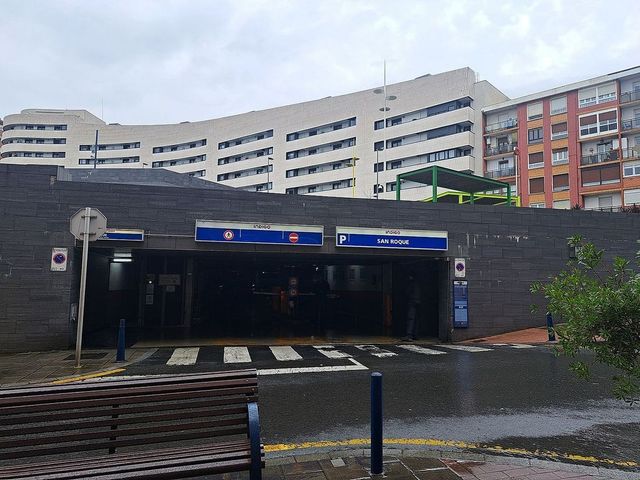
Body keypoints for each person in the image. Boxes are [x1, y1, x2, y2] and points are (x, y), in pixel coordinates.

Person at [403, 273, 421, 341]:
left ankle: (409, 335)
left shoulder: (411, 283)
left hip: (412, 301)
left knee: (410, 318)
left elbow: (407, 292)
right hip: (418, 302)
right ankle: (415, 335)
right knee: (416, 319)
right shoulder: (418, 283)